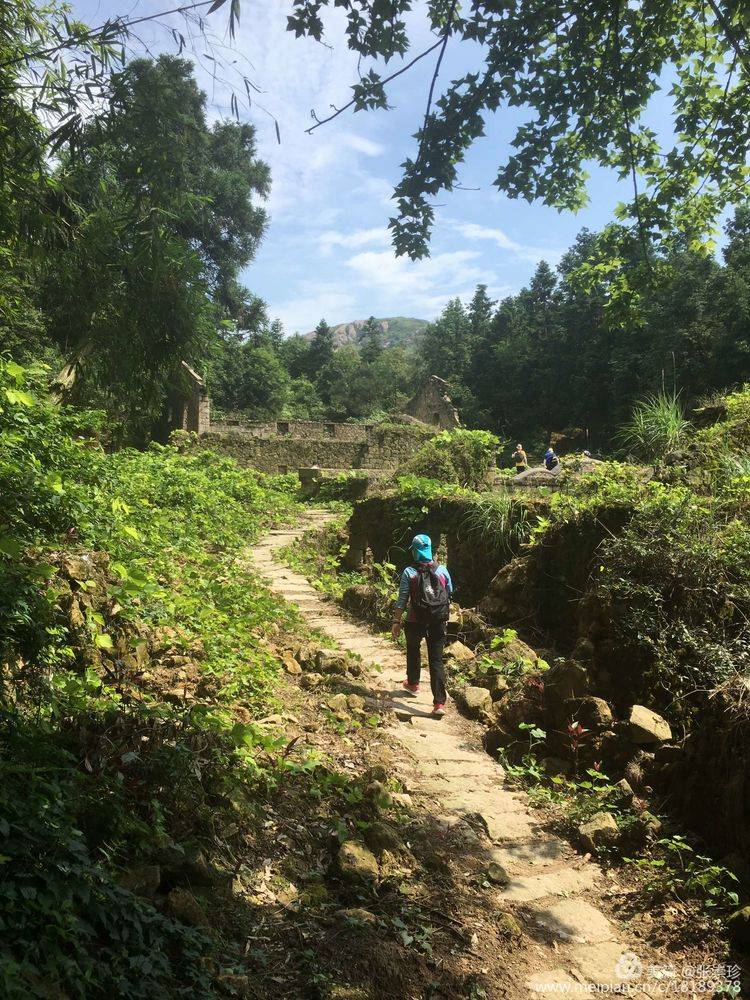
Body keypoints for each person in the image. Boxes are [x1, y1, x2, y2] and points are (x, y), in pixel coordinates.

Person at [391, 534, 453, 717]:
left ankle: (413, 684)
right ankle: (439, 703)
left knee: (413, 649)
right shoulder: (442, 570)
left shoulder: (409, 572)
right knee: (436, 660)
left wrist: (396, 622)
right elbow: (449, 592)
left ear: (415, 551)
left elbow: (402, 599)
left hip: (414, 619)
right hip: (438, 620)